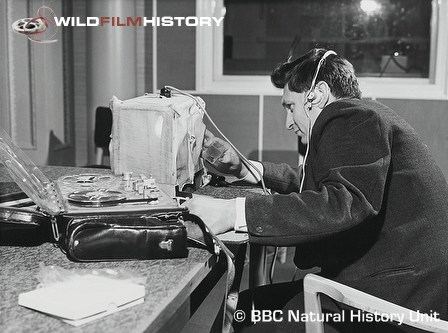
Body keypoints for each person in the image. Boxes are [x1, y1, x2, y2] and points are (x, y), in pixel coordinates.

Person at [184, 48, 448, 332]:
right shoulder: (365, 116)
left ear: (317, 94)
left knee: (245, 316)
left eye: (290, 107)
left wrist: (232, 212)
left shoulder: (353, 118)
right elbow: (320, 181)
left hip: (393, 303)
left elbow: (341, 203)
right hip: (391, 282)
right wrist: (245, 169)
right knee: (244, 308)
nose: (288, 123)